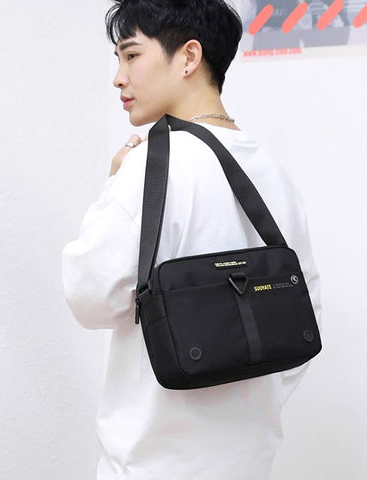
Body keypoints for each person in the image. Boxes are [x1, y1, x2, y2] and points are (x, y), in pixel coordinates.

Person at [61, 1, 323, 479]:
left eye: (131, 55)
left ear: (188, 57)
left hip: (150, 467)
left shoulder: (146, 169)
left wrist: (112, 181)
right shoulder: (271, 172)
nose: (118, 78)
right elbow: (305, 313)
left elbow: (88, 298)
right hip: (248, 462)